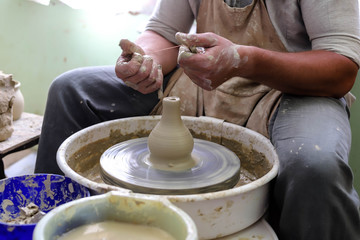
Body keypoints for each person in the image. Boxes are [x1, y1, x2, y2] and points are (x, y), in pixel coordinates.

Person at [35, 0, 360, 239]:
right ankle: (45, 222)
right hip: (204, 80)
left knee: (315, 166)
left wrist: (244, 59)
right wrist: (143, 59)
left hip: (291, 90)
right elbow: (161, 31)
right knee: (70, 90)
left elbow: (340, 68)